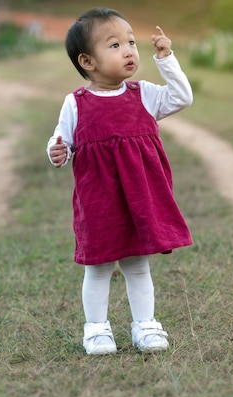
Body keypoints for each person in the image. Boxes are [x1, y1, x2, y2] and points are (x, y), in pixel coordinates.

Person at [46, 7, 193, 355]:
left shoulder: (143, 94)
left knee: (137, 265)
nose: (128, 50)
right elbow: (61, 141)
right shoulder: (76, 103)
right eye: (114, 45)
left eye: (131, 42)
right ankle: (96, 329)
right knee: (97, 266)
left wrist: (166, 59)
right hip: (99, 201)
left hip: (140, 198)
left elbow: (182, 97)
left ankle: (145, 324)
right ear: (88, 61)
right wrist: (56, 151)